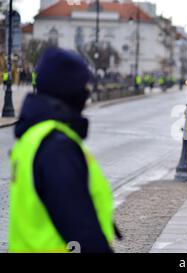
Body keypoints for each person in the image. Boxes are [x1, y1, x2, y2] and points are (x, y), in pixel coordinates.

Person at [8, 47, 114, 253]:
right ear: (68, 90)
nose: (86, 92)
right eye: (83, 85)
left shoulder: (33, 135)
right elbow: (81, 228)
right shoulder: (57, 146)